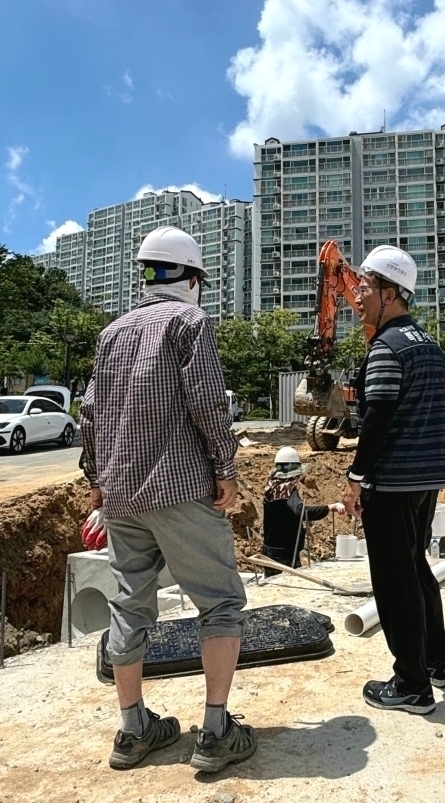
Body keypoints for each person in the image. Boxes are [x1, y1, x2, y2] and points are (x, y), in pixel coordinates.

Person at [80, 225, 256, 773]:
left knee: (129, 605)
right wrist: (225, 467)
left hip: (120, 493)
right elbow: (206, 401)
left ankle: (133, 730)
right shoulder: (189, 321)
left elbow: (90, 412)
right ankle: (215, 730)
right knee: (220, 603)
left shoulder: (113, 332)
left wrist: (96, 479)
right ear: (192, 277)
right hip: (178, 488)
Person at [341, 245, 445, 716]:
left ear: (389, 292)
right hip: (427, 477)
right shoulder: (427, 343)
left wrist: (355, 478)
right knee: (416, 567)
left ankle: (411, 685)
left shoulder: (387, 347)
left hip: (392, 482)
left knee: (393, 580)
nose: (358, 296)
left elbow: (378, 419)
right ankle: (436, 660)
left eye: (365, 287)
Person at [261, 446, 345, 575]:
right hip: (284, 555)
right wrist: (329, 507)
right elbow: (301, 511)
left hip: (269, 551)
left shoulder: (271, 487)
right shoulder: (289, 491)